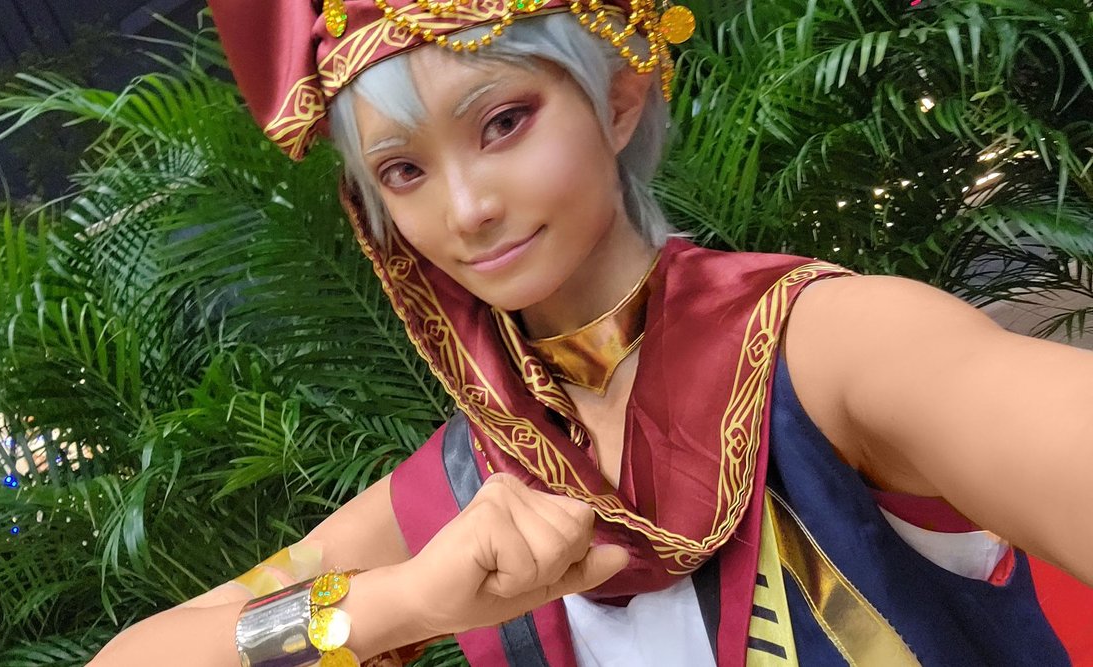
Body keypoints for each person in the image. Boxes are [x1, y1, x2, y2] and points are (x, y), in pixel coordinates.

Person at [89, 1, 1093, 665]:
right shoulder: (469, 483)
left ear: (617, 100)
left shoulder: (826, 349)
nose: (468, 208)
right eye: (404, 171)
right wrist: (397, 603)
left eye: (503, 121)